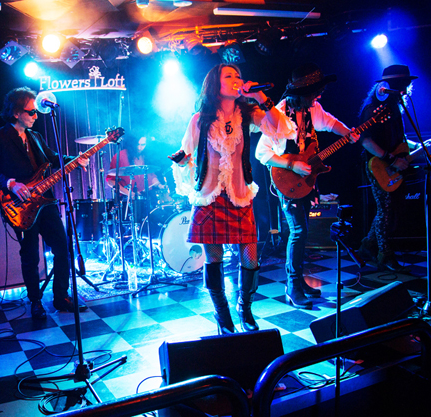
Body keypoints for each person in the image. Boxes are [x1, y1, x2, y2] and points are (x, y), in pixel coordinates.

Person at [170, 63, 294, 333]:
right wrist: (181, 160)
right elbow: (186, 152)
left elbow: (281, 128)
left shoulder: (248, 114)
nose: (237, 79)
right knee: (214, 260)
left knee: (250, 259)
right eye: (229, 76)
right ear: (216, 84)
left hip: (239, 196)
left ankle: (245, 309)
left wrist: (260, 96)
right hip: (210, 198)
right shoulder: (200, 119)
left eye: (238, 75)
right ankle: (222, 314)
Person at [255, 63, 359, 310]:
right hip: (286, 181)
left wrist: (348, 133)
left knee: (304, 231)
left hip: (306, 182)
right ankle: (292, 286)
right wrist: (292, 164)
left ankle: (299, 282)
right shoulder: (278, 115)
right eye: (314, 93)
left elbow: (330, 123)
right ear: (301, 93)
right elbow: (261, 153)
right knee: (298, 231)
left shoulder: (313, 109)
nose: (318, 97)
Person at [0, 87, 89, 320]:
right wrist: (11, 184)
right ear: (16, 112)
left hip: (45, 202)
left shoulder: (36, 137)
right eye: (31, 112)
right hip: (20, 205)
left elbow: (54, 159)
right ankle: (35, 301)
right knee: (30, 254)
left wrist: (76, 160)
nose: (36, 115)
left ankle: (61, 296)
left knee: (63, 248)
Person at [358, 65, 417, 273]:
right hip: (378, 165)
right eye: (402, 86)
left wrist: (417, 146)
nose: (405, 90)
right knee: (385, 209)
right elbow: (365, 140)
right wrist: (391, 160)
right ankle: (384, 255)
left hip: (391, 162)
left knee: (388, 208)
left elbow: (398, 138)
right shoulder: (373, 109)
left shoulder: (394, 108)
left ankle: (367, 245)